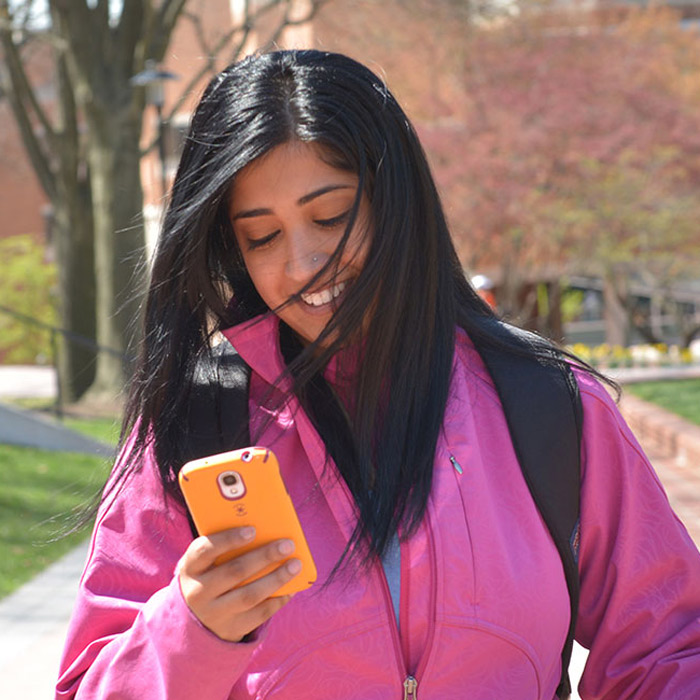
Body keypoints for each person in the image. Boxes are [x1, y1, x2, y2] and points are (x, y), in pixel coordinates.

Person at [56, 50, 700, 700]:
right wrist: (190, 632)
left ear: (396, 202)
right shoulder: (194, 423)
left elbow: (670, 649)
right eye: (261, 237)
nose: (303, 262)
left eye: (330, 217)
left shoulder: (549, 406)